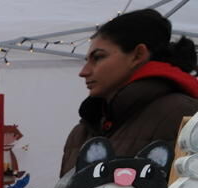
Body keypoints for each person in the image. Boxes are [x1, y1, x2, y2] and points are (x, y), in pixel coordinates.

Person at [61, 8, 198, 176]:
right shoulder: (84, 128)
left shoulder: (182, 114)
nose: (84, 71)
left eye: (98, 57)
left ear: (138, 54)